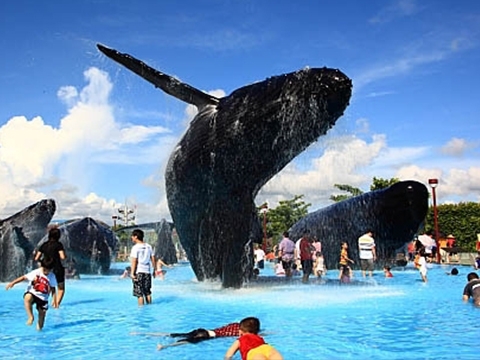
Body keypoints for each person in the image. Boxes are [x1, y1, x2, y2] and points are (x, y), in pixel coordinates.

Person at [5, 257, 58, 330]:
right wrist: (13, 283)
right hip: (33, 293)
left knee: (42, 314)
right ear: (41, 266)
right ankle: (30, 317)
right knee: (27, 297)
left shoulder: (52, 276)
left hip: (43, 298)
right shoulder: (36, 272)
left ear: (51, 269)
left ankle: (39, 330)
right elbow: (24, 277)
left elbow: (53, 288)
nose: (45, 272)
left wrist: (55, 300)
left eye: (48, 271)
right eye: (44, 269)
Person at [34, 226, 67, 307]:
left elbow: (36, 258)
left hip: (46, 268)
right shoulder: (58, 245)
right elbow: (62, 257)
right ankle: (56, 305)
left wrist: (43, 263)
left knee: (48, 286)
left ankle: (43, 302)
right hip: (57, 267)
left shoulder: (44, 245)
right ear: (58, 236)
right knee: (60, 288)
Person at [153, 322, 242, 350]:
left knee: (178, 335)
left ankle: (149, 334)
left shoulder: (234, 325)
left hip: (203, 330)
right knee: (186, 341)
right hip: (207, 335)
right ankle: (164, 346)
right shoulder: (239, 332)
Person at [130, 229, 155, 305]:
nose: (132, 238)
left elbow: (134, 261)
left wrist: (132, 273)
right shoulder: (149, 246)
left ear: (136, 237)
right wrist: (154, 270)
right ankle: (149, 307)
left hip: (139, 272)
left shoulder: (135, 248)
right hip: (147, 272)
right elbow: (153, 258)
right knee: (147, 292)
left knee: (139, 294)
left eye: (132, 236)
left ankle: (141, 311)